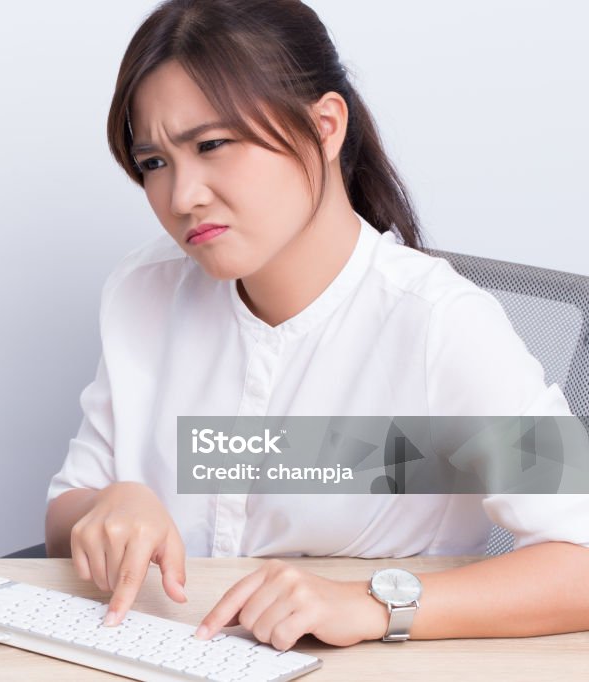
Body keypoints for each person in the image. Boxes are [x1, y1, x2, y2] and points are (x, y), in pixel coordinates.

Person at [44, 0, 589, 652]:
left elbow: (581, 556)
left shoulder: (444, 325)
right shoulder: (142, 292)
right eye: (154, 162)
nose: (182, 196)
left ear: (326, 125)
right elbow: (69, 506)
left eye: (212, 145)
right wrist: (110, 506)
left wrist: (370, 605)